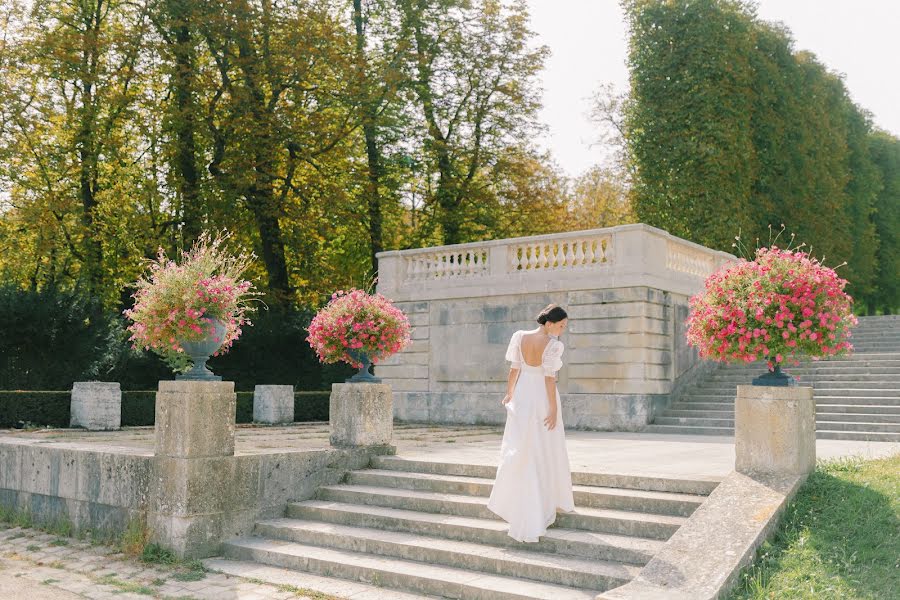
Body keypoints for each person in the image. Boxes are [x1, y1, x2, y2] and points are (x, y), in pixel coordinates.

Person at [487, 304, 575, 542]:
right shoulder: (554, 345)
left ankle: (527, 500)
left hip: (524, 393)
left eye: (564, 326)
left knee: (523, 445)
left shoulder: (520, 337)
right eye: (560, 325)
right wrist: (554, 409)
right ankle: (542, 500)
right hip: (541, 397)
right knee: (544, 446)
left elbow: (515, 369)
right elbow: (549, 379)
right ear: (548, 323)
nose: (562, 330)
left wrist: (509, 393)